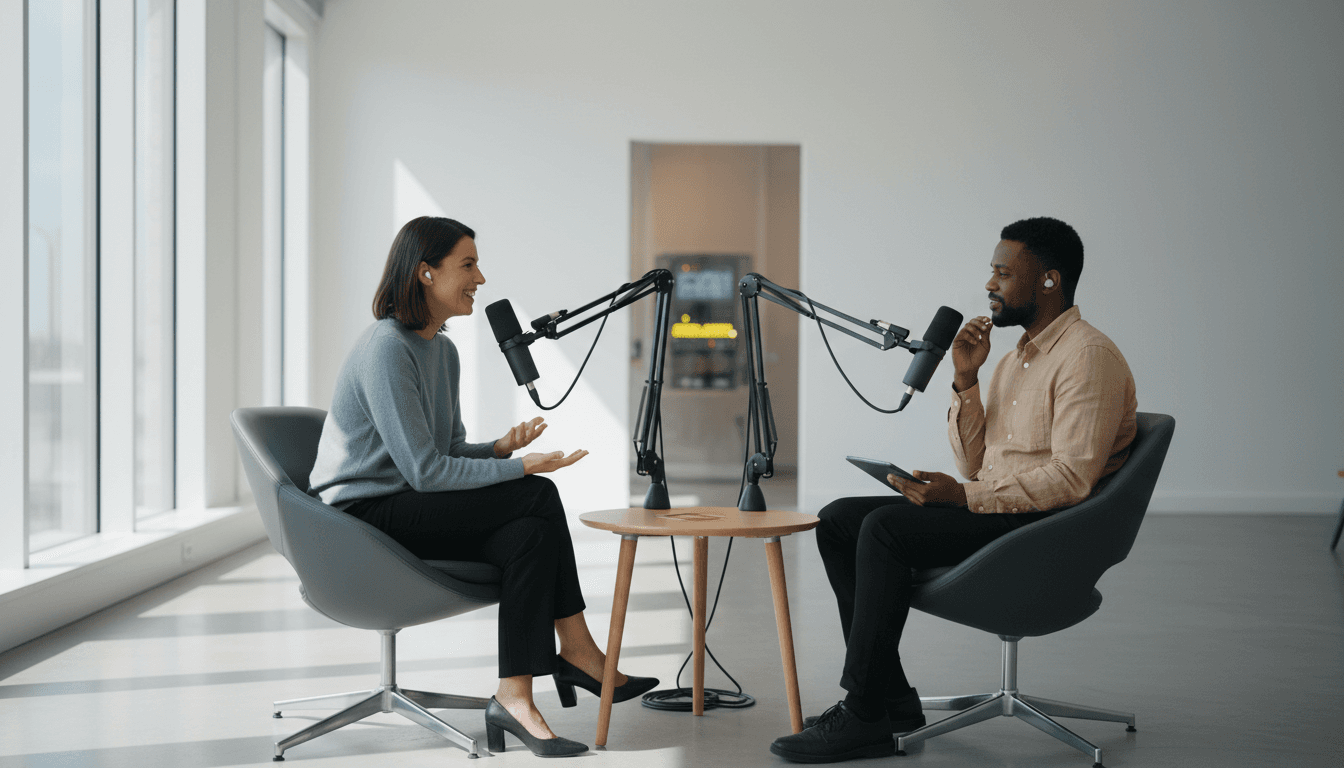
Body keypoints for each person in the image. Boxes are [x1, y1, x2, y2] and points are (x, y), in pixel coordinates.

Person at [770, 216, 1137, 763]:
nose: (989, 285)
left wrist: (962, 499)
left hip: (1044, 527)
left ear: (1049, 281)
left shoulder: (1088, 357)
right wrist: (966, 379)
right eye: (991, 272)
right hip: (1002, 510)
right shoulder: (1013, 360)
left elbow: (1071, 478)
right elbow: (974, 466)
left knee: (886, 528)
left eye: (1003, 273)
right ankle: (891, 701)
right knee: (839, 518)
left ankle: (864, 711)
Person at [309, 216, 657, 757]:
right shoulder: (386, 348)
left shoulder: (440, 352)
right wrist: (520, 469)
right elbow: (425, 473)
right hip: (361, 515)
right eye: (467, 265)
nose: (481, 278)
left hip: (407, 502)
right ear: (426, 273)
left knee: (527, 535)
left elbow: (443, 454)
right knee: (536, 496)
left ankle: (514, 696)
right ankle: (580, 653)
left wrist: (497, 450)